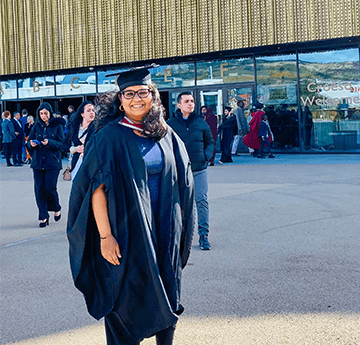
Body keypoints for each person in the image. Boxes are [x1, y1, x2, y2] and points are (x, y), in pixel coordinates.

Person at [66, 66, 196, 345]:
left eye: (142, 92)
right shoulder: (108, 136)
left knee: (167, 292)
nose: (137, 98)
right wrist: (105, 236)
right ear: (120, 99)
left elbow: (183, 183)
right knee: (124, 302)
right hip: (126, 235)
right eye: (129, 93)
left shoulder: (165, 134)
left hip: (163, 233)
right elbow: (94, 189)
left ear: (153, 96)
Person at [167, 91, 214, 251]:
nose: (190, 104)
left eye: (192, 101)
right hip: (180, 171)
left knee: (201, 201)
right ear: (179, 105)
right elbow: (164, 145)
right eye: (187, 101)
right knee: (179, 204)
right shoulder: (170, 125)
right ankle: (179, 237)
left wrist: (205, 156)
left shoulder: (201, 123)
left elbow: (210, 142)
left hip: (199, 169)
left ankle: (204, 235)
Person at [27, 102, 64, 227]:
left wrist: (50, 142)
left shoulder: (57, 125)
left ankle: (56, 207)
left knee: (49, 188)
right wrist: (30, 144)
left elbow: (62, 144)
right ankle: (43, 216)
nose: (43, 116)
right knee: (39, 190)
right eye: (41, 113)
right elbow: (28, 142)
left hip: (52, 162)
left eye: (45, 113)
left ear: (50, 113)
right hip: (37, 162)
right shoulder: (36, 126)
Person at [62, 100, 95, 180]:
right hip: (77, 163)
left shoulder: (97, 128)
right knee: (77, 189)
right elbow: (63, 145)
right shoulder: (75, 128)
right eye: (88, 110)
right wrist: (73, 149)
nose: (92, 113)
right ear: (82, 114)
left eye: (93, 110)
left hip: (92, 164)